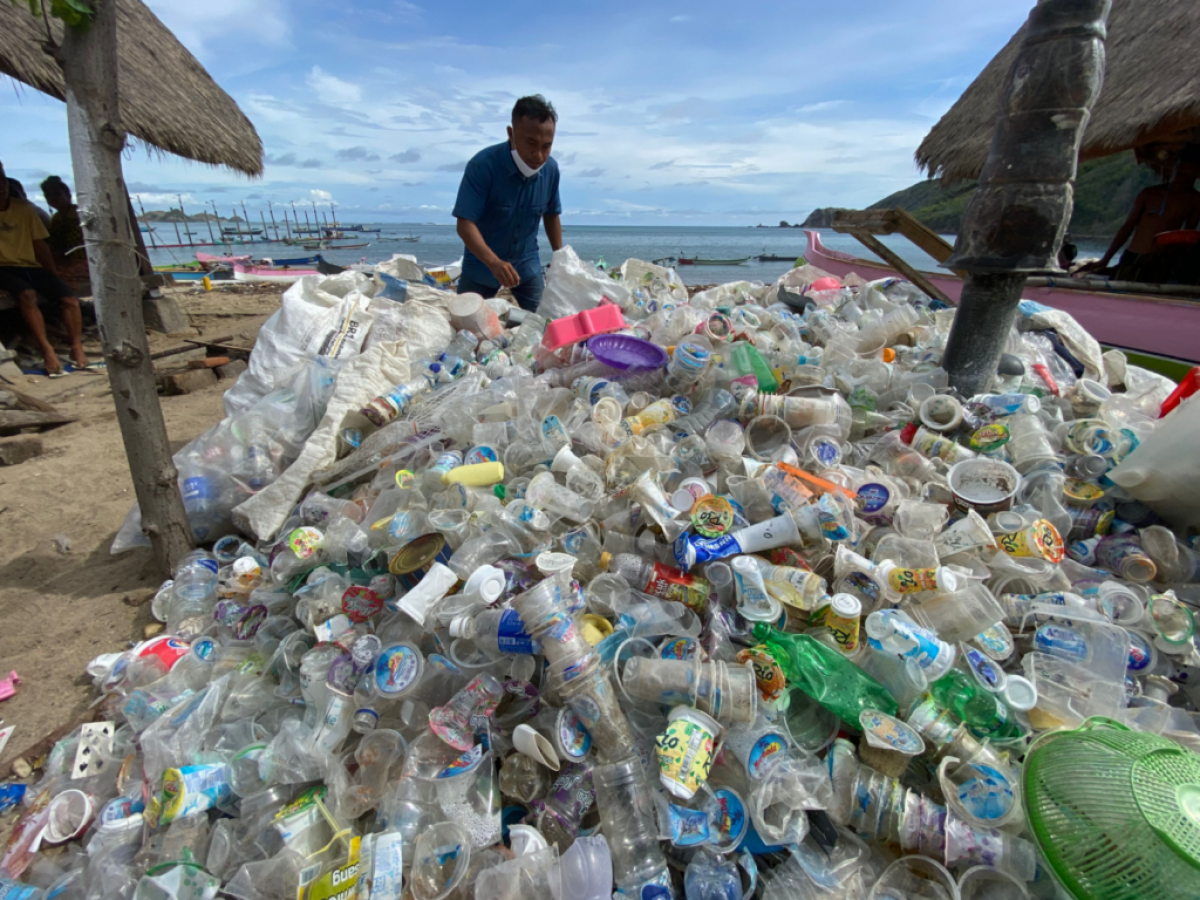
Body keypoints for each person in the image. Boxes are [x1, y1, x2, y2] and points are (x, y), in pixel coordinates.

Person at [453, 95, 563, 312]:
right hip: (482, 265)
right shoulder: (482, 166)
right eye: (531, 143)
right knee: (465, 325)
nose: (538, 155)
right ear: (511, 134)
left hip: (527, 263)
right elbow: (465, 224)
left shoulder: (551, 170)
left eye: (546, 146)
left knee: (543, 321)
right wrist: (494, 262)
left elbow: (551, 214)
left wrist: (561, 257)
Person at [0, 160, 91, 376]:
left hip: (30, 265)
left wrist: (54, 272)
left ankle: (76, 348)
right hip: (3, 268)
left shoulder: (24, 209)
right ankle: (47, 350)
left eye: (2, 181)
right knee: (27, 295)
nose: (0, 187)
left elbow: (40, 245)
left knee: (69, 299)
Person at [1079, 147, 1200, 281]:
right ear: (1174, 169)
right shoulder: (1149, 194)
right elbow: (1127, 227)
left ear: (1196, 172)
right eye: (1180, 170)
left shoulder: (1195, 200)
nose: (1182, 174)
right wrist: (1106, 259)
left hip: (1161, 261)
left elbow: (1188, 236)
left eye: (1188, 171)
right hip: (1133, 255)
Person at [40, 176, 90, 286]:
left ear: (68, 195)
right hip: (67, 261)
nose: (52, 198)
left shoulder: (77, 215)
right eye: (48, 195)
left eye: (57, 194)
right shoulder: (57, 218)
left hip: (85, 262)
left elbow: (75, 246)